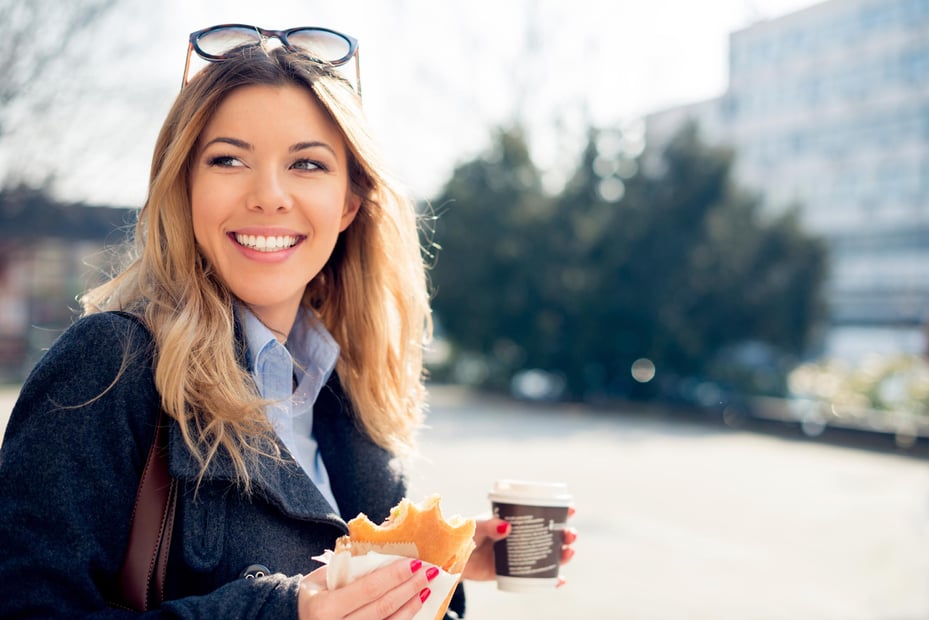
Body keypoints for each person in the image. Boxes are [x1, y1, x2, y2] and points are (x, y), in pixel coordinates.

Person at [0, 24, 575, 619]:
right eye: (228, 160)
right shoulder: (110, 363)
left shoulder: (349, 394)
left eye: (306, 164)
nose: (268, 195)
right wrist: (278, 613)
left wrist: (441, 571)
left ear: (349, 202)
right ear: (185, 186)